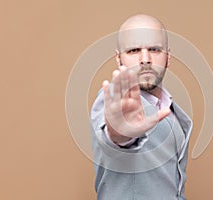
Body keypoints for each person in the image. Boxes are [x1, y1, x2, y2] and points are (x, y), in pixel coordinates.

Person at [90, 14, 193, 200]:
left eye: (154, 49)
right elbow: (113, 136)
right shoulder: (112, 100)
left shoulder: (170, 108)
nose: (145, 59)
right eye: (134, 51)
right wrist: (120, 133)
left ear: (168, 57)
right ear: (118, 59)